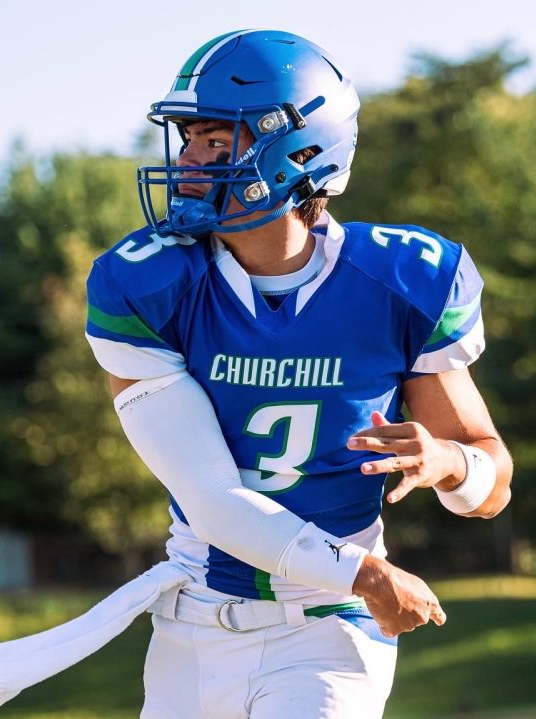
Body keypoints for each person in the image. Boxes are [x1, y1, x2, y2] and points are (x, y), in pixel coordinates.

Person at [84, 29, 513, 719]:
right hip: (197, 626)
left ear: (296, 152)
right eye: (187, 138)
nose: (189, 161)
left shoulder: (398, 283)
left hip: (330, 631)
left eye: (216, 142)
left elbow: (492, 486)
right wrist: (369, 572)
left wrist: (450, 462)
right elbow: (213, 499)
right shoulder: (150, 286)